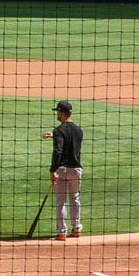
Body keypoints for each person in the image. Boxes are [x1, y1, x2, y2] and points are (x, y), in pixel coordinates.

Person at [40, 100, 83, 238]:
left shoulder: (59, 130)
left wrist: (53, 171)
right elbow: (70, 140)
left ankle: (62, 232)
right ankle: (76, 229)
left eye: (58, 112)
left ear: (61, 113)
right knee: (75, 199)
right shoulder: (79, 130)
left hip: (62, 169)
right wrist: (54, 135)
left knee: (61, 201)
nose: (57, 114)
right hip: (76, 169)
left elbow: (58, 151)